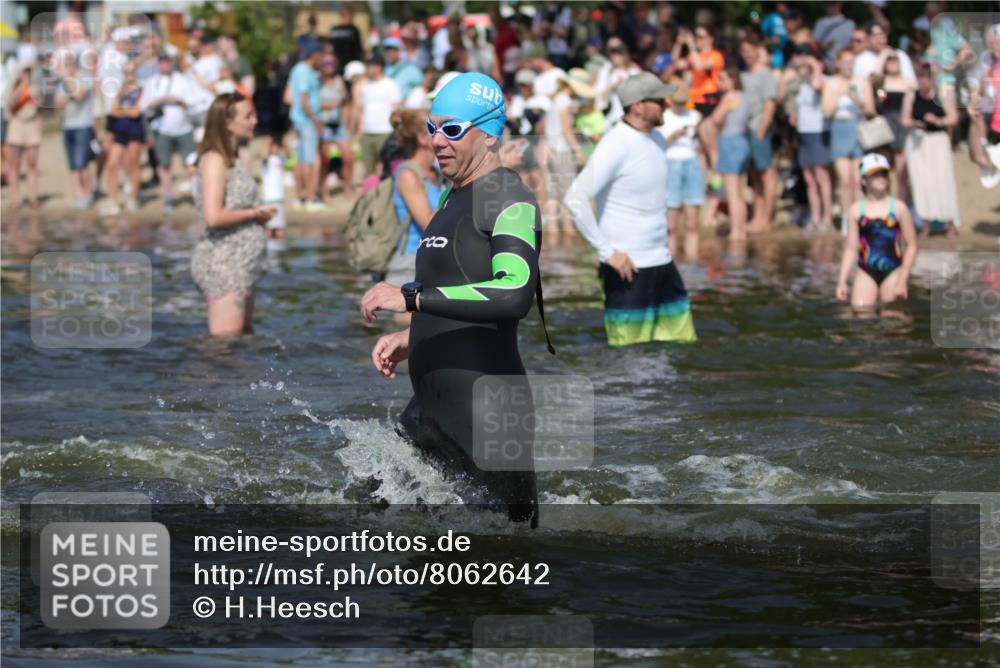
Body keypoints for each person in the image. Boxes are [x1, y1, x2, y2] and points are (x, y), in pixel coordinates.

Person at [361, 72, 543, 527]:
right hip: (430, 409)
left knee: (510, 547)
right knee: (365, 515)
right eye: (432, 128)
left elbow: (513, 291)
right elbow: (460, 283)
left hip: (487, 411)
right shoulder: (450, 196)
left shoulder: (509, 197)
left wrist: (412, 299)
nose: (437, 141)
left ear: (489, 134)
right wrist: (415, 334)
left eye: (453, 130)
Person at [565, 72, 697, 346]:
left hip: (662, 262)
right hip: (627, 268)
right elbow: (575, 198)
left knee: (679, 348)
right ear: (637, 106)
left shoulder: (657, 139)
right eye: (659, 100)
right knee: (630, 359)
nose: (667, 104)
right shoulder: (615, 144)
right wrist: (607, 252)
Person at [191, 93, 275, 336]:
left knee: (243, 337)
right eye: (248, 116)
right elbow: (213, 216)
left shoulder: (233, 158)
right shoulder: (215, 159)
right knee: (225, 344)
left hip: (242, 263)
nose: (254, 121)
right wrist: (254, 213)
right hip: (225, 265)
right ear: (227, 122)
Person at [383, 109, 445, 319]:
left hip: (434, 261)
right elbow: (429, 223)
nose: (445, 136)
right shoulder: (408, 175)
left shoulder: (437, 173)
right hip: (410, 267)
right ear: (422, 138)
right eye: (436, 130)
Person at [836, 153, 917, 308]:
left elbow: (912, 245)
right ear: (863, 180)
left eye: (884, 173)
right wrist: (842, 281)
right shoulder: (856, 210)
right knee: (860, 312)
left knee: (893, 315)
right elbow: (851, 248)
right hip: (866, 272)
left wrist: (902, 279)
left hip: (893, 271)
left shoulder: (898, 208)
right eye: (875, 174)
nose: (881, 178)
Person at [902, 64, 960, 235]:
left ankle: (950, 222)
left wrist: (937, 121)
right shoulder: (911, 96)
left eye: (925, 78)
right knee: (921, 182)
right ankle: (925, 222)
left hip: (938, 140)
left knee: (944, 180)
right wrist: (916, 123)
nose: (922, 82)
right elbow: (905, 119)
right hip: (918, 141)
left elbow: (953, 118)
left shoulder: (943, 94)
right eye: (919, 78)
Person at [823, 49, 874, 233]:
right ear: (838, 63)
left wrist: (857, 99)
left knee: (857, 179)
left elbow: (870, 110)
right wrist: (840, 94)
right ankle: (847, 217)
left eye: (852, 61)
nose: (849, 65)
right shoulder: (831, 83)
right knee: (844, 180)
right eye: (845, 61)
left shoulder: (862, 81)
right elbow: (826, 111)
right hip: (840, 128)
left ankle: (860, 216)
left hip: (857, 128)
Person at [142, 54, 196, 214]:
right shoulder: (152, 82)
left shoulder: (182, 80)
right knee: (164, 165)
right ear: (158, 64)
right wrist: (159, 101)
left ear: (172, 63)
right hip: (162, 130)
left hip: (184, 128)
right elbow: (144, 107)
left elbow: (192, 103)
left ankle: (197, 197)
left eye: (168, 62)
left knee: (190, 164)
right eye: (162, 62)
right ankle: (168, 199)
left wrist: (177, 100)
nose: (165, 65)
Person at [659, 82, 703, 261]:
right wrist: (673, 135)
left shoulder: (695, 116)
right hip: (671, 164)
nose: (680, 106)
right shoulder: (664, 117)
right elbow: (658, 146)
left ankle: (692, 260)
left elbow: (701, 145)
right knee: (671, 223)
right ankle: (671, 260)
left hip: (692, 164)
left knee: (692, 222)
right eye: (677, 102)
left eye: (683, 102)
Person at [739, 35, 779, 234]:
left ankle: (767, 218)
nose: (746, 54)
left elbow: (770, 104)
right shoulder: (743, 75)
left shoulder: (765, 74)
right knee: (755, 176)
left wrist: (762, 129)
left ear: (757, 50)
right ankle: (757, 216)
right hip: (745, 130)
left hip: (759, 129)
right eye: (743, 51)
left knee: (766, 173)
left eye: (749, 50)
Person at [544, 69, 591, 232]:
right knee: (568, 191)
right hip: (562, 150)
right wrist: (578, 150)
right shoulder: (564, 100)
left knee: (554, 192)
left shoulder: (557, 98)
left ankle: (553, 229)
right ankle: (569, 228)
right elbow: (566, 129)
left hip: (551, 147)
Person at [794, 45, 834, 231]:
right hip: (804, 133)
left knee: (822, 176)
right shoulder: (803, 84)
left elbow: (818, 87)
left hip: (819, 131)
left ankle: (827, 217)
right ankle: (815, 217)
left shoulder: (825, 81)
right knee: (809, 178)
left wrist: (816, 67)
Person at [673, 25, 724, 170]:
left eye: (701, 37)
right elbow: (674, 64)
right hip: (694, 102)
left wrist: (690, 45)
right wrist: (678, 44)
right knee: (699, 145)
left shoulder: (716, 56)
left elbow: (700, 66)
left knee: (710, 143)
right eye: (696, 37)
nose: (697, 40)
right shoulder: (694, 55)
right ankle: (704, 177)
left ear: (710, 39)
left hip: (709, 102)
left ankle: (717, 177)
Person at [709, 66, 751, 240]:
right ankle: (741, 230)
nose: (721, 83)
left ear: (733, 80)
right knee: (739, 192)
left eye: (724, 79)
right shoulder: (744, 97)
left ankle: (736, 231)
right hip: (743, 142)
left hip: (730, 143)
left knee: (732, 193)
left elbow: (715, 119)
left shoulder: (729, 97)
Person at [872, 50, 916, 204]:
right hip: (885, 126)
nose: (892, 63)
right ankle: (884, 202)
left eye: (895, 60)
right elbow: (879, 99)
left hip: (902, 127)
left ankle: (901, 204)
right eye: (889, 60)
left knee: (901, 172)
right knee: (883, 169)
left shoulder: (908, 83)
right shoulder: (881, 85)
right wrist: (883, 55)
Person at [103, 61, 146, 215]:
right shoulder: (120, 90)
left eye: (131, 72)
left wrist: (123, 110)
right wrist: (125, 110)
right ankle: (113, 199)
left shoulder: (142, 89)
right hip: (119, 131)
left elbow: (137, 113)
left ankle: (132, 198)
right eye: (126, 72)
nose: (129, 75)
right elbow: (113, 111)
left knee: (133, 164)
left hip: (135, 131)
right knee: (112, 164)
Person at [54, 53, 95, 209]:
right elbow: (58, 103)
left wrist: (67, 82)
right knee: (72, 164)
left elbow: (79, 95)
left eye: (66, 64)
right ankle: (79, 194)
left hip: (83, 125)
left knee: (82, 162)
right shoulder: (64, 82)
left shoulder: (84, 77)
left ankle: (88, 193)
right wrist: (70, 92)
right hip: (67, 125)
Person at [288, 44, 325, 211]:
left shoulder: (300, 69)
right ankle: (311, 197)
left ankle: (300, 196)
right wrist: (316, 120)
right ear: (314, 54)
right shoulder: (304, 70)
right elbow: (303, 99)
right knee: (312, 160)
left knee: (302, 159)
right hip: (307, 121)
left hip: (301, 120)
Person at [357, 54, 401, 181]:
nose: (367, 69)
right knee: (368, 171)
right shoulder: (365, 85)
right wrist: (359, 130)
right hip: (367, 133)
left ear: (378, 67)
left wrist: (396, 131)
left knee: (386, 168)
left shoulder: (391, 84)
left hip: (385, 132)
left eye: (369, 66)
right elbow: (362, 110)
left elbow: (396, 110)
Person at [4, 64, 42, 209]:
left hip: (32, 124)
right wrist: (22, 88)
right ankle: (14, 198)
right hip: (17, 124)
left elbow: (41, 103)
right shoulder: (13, 86)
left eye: (28, 72)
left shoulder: (35, 86)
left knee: (32, 163)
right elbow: (10, 103)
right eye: (24, 71)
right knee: (14, 164)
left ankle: (33, 197)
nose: (27, 74)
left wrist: (32, 92)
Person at [317, 55, 354, 202]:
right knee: (325, 160)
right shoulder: (317, 81)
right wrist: (330, 105)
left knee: (348, 157)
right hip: (323, 124)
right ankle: (324, 190)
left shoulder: (339, 81)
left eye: (332, 63)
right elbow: (313, 103)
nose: (329, 66)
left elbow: (344, 103)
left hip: (338, 125)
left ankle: (347, 187)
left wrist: (346, 122)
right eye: (326, 63)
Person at [813, 1, 855, 68]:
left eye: (834, 3)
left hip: (844, 63)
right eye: (829, 3)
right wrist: (824, 46)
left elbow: (852, 45)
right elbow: (815, 45)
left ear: (840, 4)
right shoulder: (820, 23)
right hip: (825, 63)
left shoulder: (850, 24)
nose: (831, 7)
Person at [262, 134, 286, 241]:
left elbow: (289, 154)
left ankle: (280, 246)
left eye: (277, 146)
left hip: (279, 198)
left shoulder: (281, 159)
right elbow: (264, 155)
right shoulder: (267, 161)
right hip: (269, 198)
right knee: (269, 227)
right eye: (274, 146)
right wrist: (268, 144)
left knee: (280, 227)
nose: (276, 149)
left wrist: (283, 142)